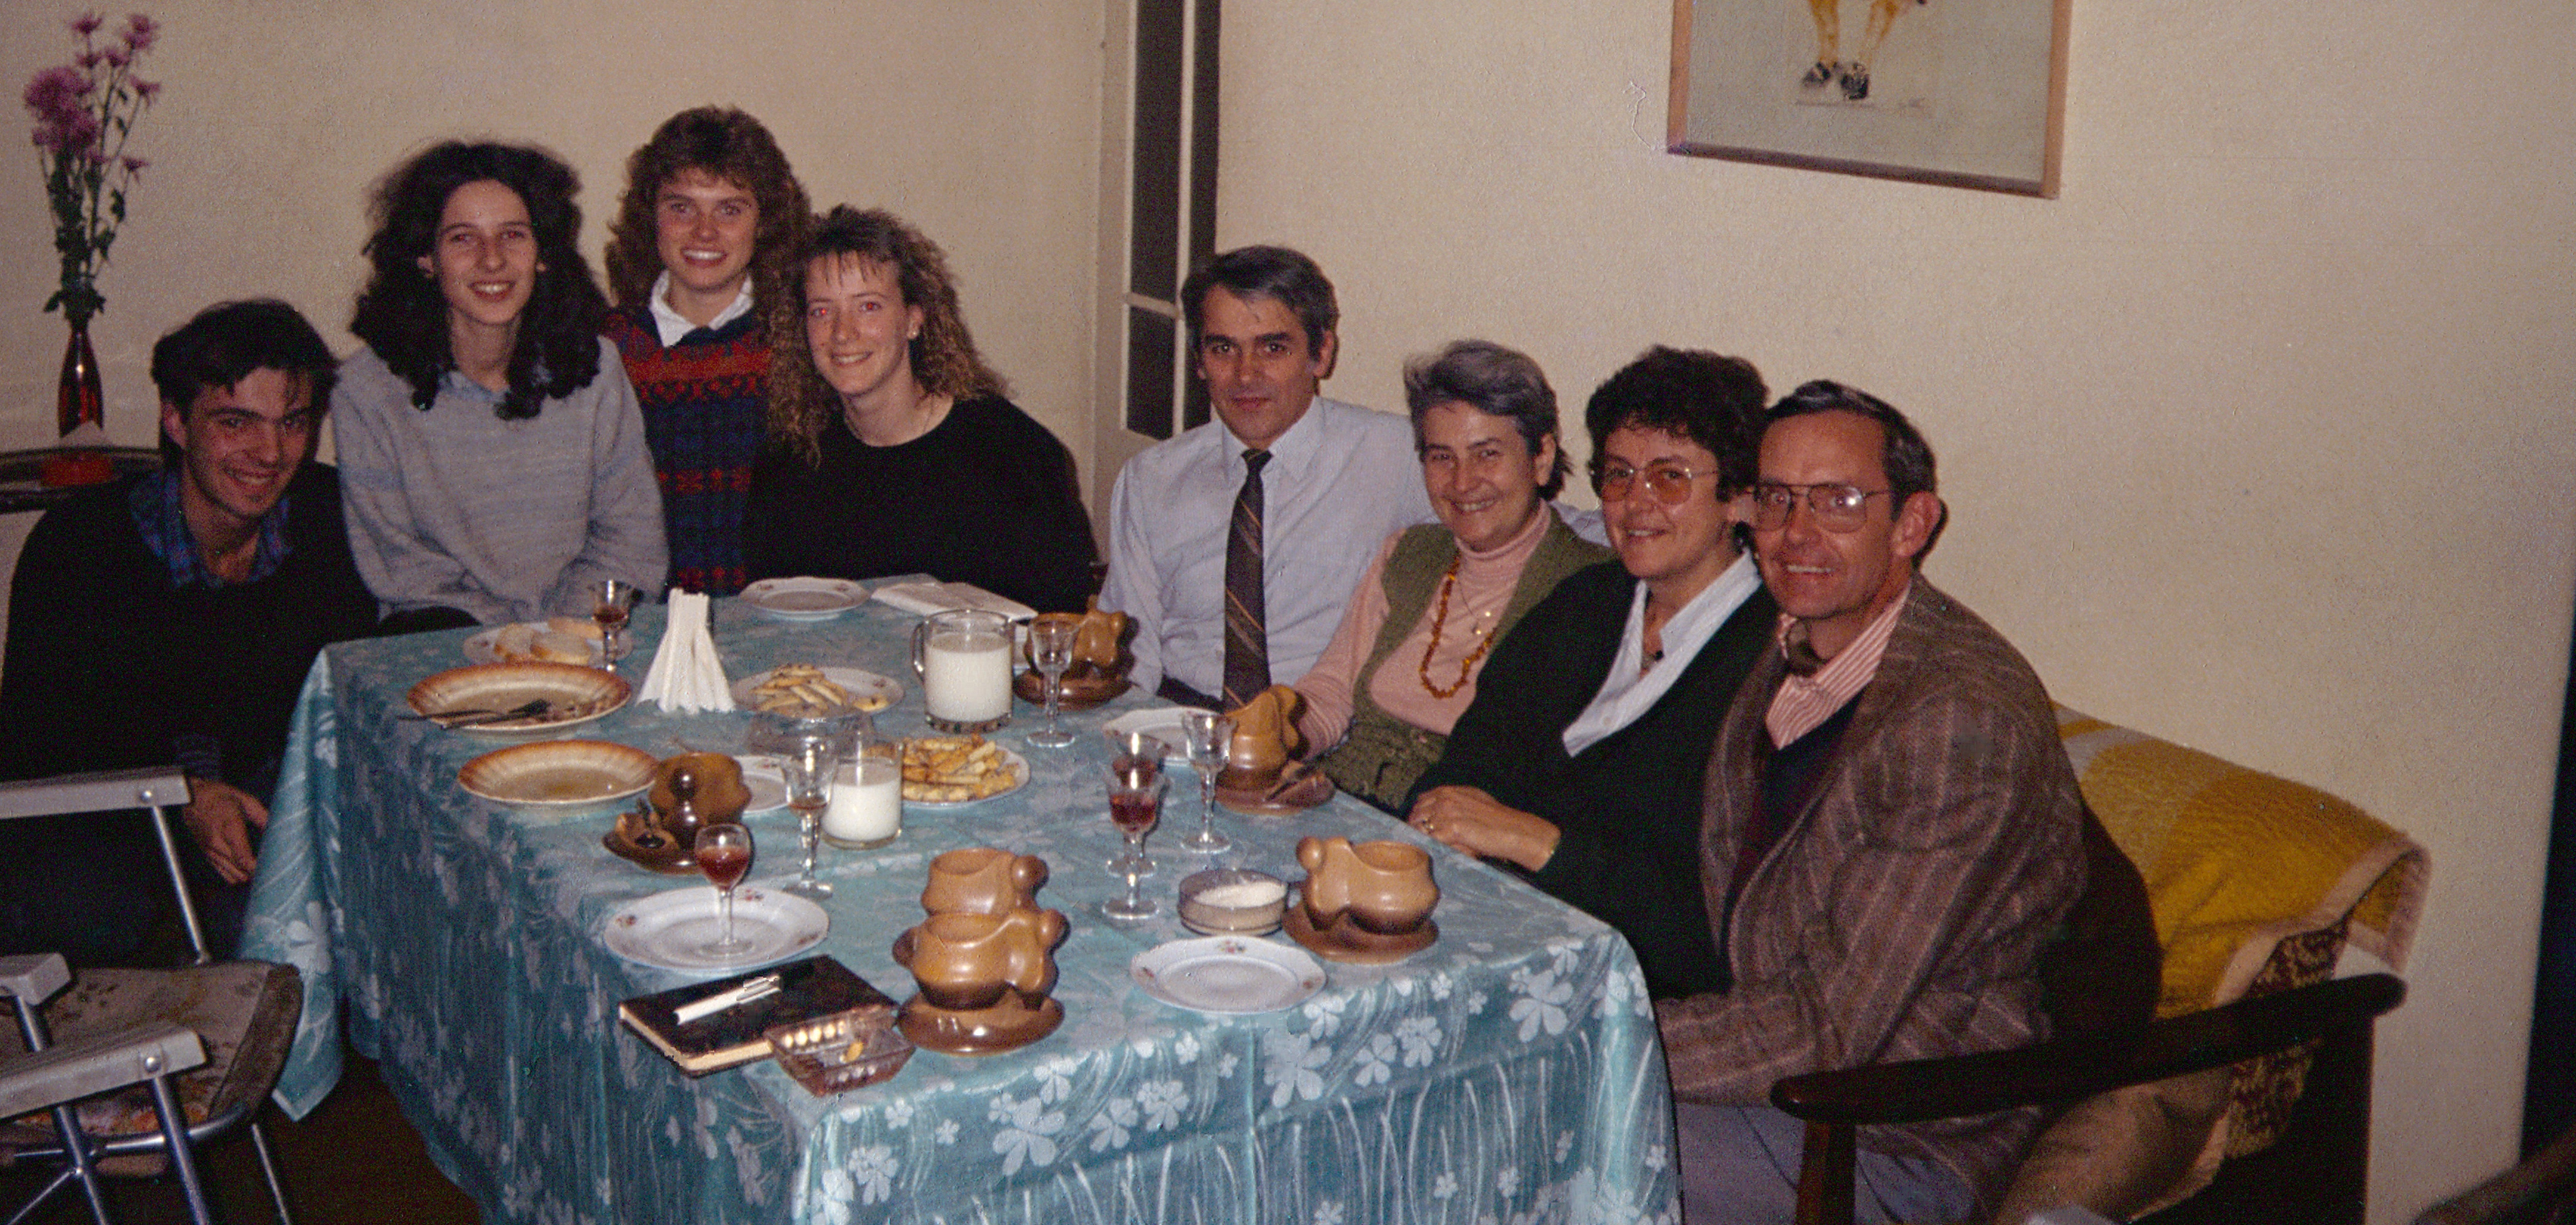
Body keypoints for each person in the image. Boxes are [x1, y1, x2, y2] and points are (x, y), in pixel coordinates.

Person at [1655, 382, 2085, 1224]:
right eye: (1776, 498)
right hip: (1782, 1086)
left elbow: (1827, 1024)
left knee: (1528, 1140)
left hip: (1894, 1133)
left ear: (1913, 523)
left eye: (1839, 501)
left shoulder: (1956, 720)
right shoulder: (1798, 643)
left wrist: (1597, 1034)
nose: (1795, 532)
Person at [0, 299, 380, 962]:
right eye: (237, 423)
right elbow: (43, 740)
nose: (270, 453)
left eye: (293, 422)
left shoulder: (330, 520)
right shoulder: (81, 546)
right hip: (106, 816)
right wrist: (186, 791)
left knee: (287, 915)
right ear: (175, 421)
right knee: (85, 907)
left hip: (262, 804)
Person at [1405, 347, 1776, 998]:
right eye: (1619, 475)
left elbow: (1715, 927)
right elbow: (1466, 766)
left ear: (1739, 497)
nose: (1635, 504)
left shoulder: (1772, 664)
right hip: (1501, 937)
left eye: (1669, 478)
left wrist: (1538, 843)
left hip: (1638, 992)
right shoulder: (1586, 603)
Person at [336, 140, 668, 629]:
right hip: (445, 643)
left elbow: (630, 539)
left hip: (582, 637)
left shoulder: (597, 369)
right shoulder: (367, 391)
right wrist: (508, 644)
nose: (492, 261)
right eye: (463, 239)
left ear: (542, 253)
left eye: (512, 235)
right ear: (426, 258)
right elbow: (405, 569)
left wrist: (558, 639)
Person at [1099, 244, 1433, 708]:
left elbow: (1523, 527)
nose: (1245, 375)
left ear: (1321, 354)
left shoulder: (1394, 454)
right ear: (1199, 362)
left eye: (1273, 348)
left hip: (1318, 735)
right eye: (1223, 349)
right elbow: (1131, 653)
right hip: (1181, 722)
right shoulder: (1151, 479)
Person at [1288, 340, 1610, 812]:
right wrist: (1280, 734)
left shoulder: (1592, 587)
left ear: (1541, 457)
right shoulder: (1409, 553)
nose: (1462, 482)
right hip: (1343, 799)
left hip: (1464, 838)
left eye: (1486, 454)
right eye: (1442, 457)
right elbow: (1331, 691)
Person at [744, 206, 1097, 613]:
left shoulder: (1011, 453)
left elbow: (1058, 623)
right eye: (822, 311)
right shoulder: (789, 459)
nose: (843, 333)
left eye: (869, 306)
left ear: (913, 320)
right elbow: (771, 614)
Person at [600, 107, 809, 596]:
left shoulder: (801, 340)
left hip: (778, 617)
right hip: (645, 621)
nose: (704, 231)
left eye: (730, 209)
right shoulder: (605, 351)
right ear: (651, 215)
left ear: (765, 222)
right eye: (682, 207)